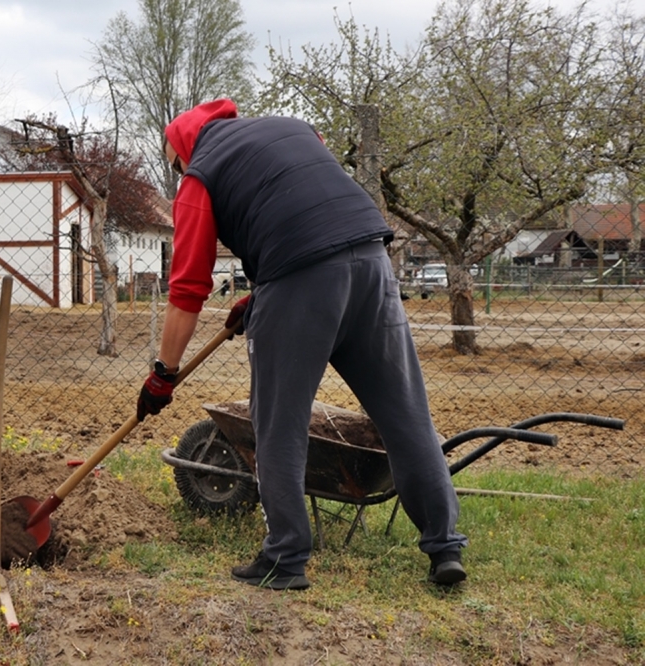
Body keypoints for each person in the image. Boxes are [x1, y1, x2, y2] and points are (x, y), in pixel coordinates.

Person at [137, 99, 468, 590]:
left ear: (183, 149)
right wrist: (262, 289)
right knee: (405, 413)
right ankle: (445, 548)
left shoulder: (199, 175)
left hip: (300, 280)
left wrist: (163, 374)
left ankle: (285, 558)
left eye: (175, 164)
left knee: (277, 423)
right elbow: (308, 206)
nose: (179, 171)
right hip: (372, 265)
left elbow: (187, 288)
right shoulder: (292, 128)